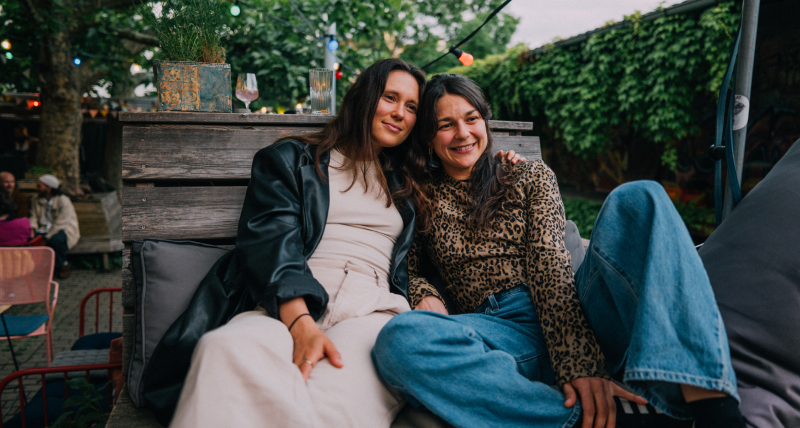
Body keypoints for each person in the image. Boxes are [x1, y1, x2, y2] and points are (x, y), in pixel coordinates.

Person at [372, 74, 746, 428]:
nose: (463, 133)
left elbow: (549, 264)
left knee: (639, 196)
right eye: (445, 125)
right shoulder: (421, 195)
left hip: (577, 308)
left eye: (471, 119)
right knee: (401, 339)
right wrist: (423, 292)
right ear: (429, 138)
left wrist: (578, 360)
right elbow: (412, 267)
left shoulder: (527, 175)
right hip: (500, 331)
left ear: (486, 122)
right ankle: (591, 418)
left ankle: (714, 408)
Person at [152, 58, 428, 428]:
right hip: (288, 298)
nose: (400, 113)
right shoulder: (291, 161)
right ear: (363, 98)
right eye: (390, 97)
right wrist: (299, 321)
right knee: (224, 350)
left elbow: (465, 154)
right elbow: (269, 239)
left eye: (411, 106)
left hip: (373, 309)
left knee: (327, 400)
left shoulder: (411, 185)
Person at [28, 174, 80, 279]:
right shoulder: (35, 199)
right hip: (43, 228)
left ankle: (63, 265)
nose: (36, 188)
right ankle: (38, 268)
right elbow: (33, 216)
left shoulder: (63, 200)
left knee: (56, 240)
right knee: (31, 239)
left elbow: (61, 223)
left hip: (62, 229)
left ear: (48, 188)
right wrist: (32, 229)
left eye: (39, 186)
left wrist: (47, 237)